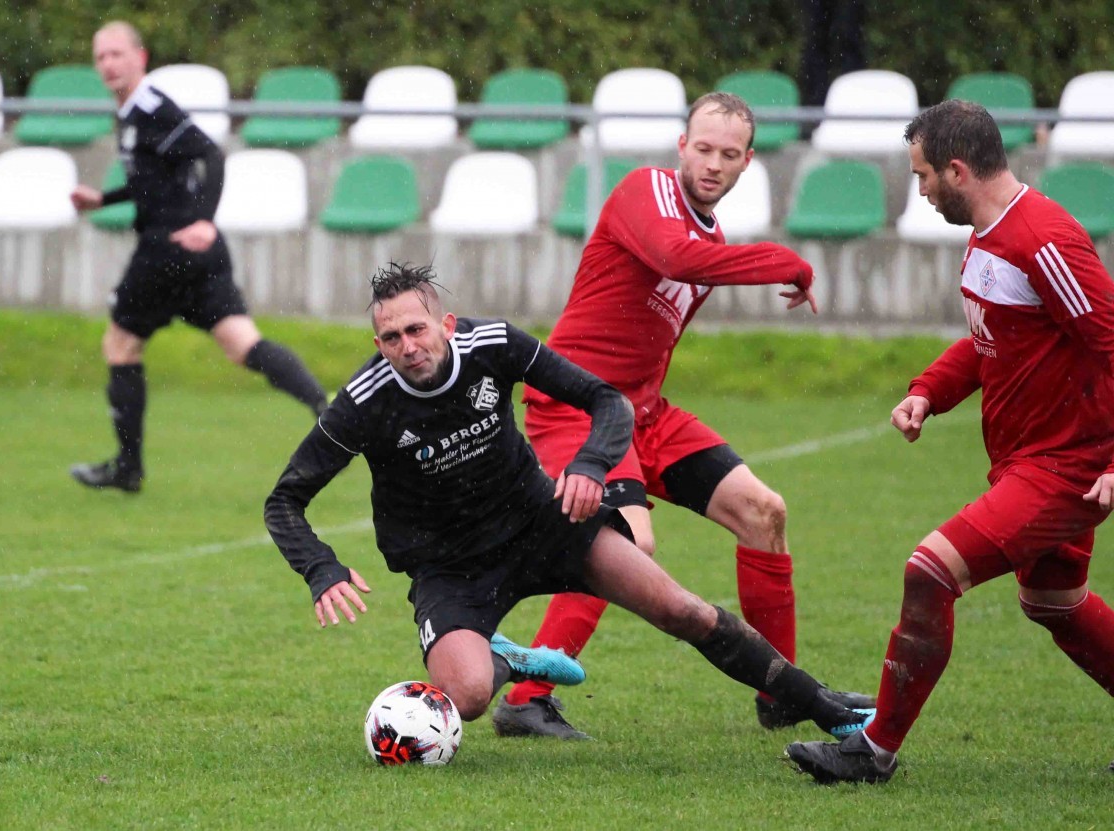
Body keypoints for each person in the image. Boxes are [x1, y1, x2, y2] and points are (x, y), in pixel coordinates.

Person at [263, 262, 874, 740]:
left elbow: (608, 401)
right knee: (469, 698)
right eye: (391, 337)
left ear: (446, 325)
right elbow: (284, 500)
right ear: (378, 341)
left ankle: (828, 712)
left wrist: (587, 465)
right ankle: (507, 659)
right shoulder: (363, 403)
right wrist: (322, 569)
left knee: (682, 610)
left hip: (544, 524)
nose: (408, 346)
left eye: (417, 329)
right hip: (449, 566)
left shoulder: (495, 345)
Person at [492, 91, 871, 740]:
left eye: (729, 154)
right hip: (580, 401)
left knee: (764, 511)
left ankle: (779, 691)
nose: (713, 163)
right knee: (625, 542)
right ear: (681, 146)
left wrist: (645, 423)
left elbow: (660, 324)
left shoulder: (714, 236)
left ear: (748, 161)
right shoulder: (647, 192)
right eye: (703, 148)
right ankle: (526, 697)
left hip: (643, 411)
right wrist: (785, 260)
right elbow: (678, 259)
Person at [786, 100, 1114, 784]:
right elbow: (993, 339)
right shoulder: (991, 234)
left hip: (1065, 466)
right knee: (1052, 603)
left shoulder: (1044, 241)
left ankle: (873, 749)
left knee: (929, 570)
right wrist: (928, 391)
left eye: (925, 176)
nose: (923, 191)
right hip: (1025, 462)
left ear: (958, 170)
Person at [69, 21, 329, 493]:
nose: (108, 63)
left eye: (116, 54)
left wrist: (205, 220)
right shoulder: (131, 112)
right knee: (243, 343)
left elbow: (212, 153)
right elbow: (153, 183)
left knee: (121, 345)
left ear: (140, 58)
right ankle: (327, 411)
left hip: (168, 249)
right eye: (100, 56)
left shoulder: (150, 106)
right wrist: (102, 201)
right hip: (198, 253)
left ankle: (128, 468)